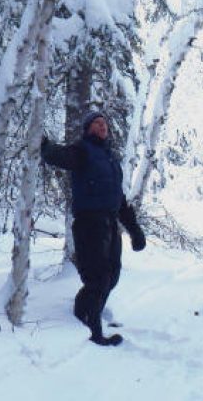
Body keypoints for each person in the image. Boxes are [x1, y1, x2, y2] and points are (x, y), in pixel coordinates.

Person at [41, 110, 146, 346]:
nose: (102, 126)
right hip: (89, 223)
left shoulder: (111, 159)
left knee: (113, 275)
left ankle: (82, 313)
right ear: (88, 129)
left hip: (110, 224)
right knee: (98, 276)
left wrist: (135, 231)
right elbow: (60, 156)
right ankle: (94, 330)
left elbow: (119, 198)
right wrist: (44, 145)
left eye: (104, 123)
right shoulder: (82, 150)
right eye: (96, 123)